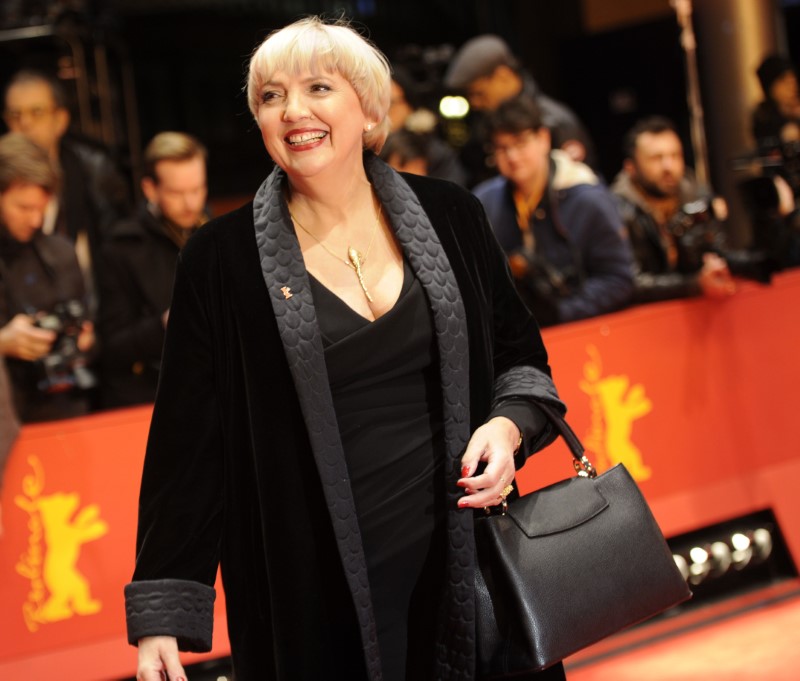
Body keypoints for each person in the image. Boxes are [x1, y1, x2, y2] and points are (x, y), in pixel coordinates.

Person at [124, 16, 568, 681]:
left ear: (368, 108)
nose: (292, 110)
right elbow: (189, 445)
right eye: (270, 97)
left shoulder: (452, 214)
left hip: (463, 560)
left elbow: (520, 356)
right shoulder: (219, 261)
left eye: (317, 88)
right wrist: (164, 607)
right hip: (310, 589)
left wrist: (508, 430)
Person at [473, 96, 634, 327]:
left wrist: (560, 313)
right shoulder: (484, 201)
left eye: (520, 143)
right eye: (501, 148)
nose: (512, 157)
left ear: (543, 139)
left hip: (579, 331)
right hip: (514, 341)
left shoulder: (587, 197)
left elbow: (618, 279)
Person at [2, 69, 132, 310]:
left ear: (60, 119)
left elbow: (117, 254)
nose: (25, 123)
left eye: (36, 112)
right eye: (15, 114)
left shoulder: (92, 171)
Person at [98, 132, 208, 409]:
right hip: (151, 398)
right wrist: (164, 324)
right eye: (177, 193)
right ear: (150, 189)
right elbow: (111, 348)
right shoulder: (121, 247)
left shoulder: (209, 232)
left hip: (207, 388)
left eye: (198, 189)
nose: (191, 203)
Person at [0, 132, 95, 423]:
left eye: (41, 208)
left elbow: (93, 334)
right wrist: (3, 343)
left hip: (66, 409)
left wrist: (83, 340)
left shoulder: (61, 253)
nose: (35, 220)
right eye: (23, 207)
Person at [610, 116, 739, 303]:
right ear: (630, 167)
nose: (668, 166)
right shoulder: (616, 210)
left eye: (675, 155)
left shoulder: (696, 194)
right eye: (656, 158)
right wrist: (693, 285)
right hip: (648, 320)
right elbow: (630, 283)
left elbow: (722, 251)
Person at [444, 34, 597, 185]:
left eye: (479, 93)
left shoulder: (555, 122)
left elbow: (580, 186)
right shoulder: (483, 124)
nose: (474, 103)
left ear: (503, 76)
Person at [387, 68, 467, 185]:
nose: (382, 112)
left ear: (410, 105)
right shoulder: (363, 150)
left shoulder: (434, 152)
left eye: (391, 103)